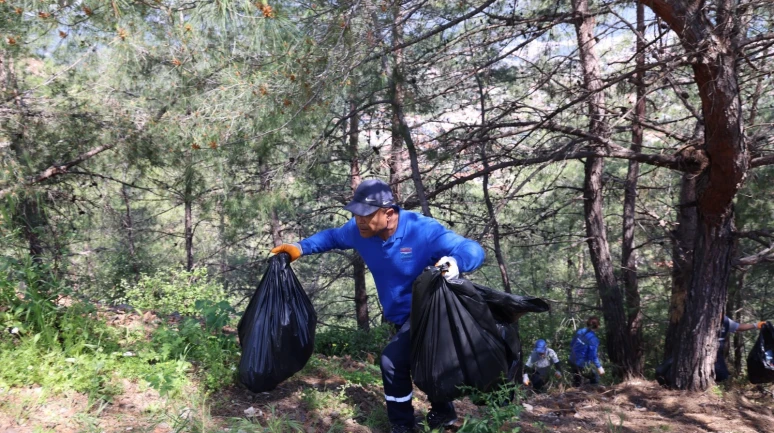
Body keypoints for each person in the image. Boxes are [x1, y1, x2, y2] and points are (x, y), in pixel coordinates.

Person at [270, 179, 485, 433]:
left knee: (392, 361)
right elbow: (331, 237)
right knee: (422, 362)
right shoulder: (361, 231)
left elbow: (472, 249)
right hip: (398, 315)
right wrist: (298, 248)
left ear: (389, 213)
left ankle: (402, 425)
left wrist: (456, 261)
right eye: (355, 214)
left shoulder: (422, 230)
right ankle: (443, 412)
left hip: (428, 313)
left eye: (365, 214)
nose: (358, 220)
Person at [715, 316, 766, 382]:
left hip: (718, 352)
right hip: (707, 354)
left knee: (722, 375)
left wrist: (756, 325)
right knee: (722, 375)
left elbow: (738, 327)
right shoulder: (700, 316)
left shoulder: (725, 320)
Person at [569, 316, 604, 387]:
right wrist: (599, 367)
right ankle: (593, 395)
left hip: (572, 360)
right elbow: (593, 356)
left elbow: (572, 344)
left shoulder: (580, 331)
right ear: (597, 326)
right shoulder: (593, 339)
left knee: (577, 382)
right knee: (595, 377)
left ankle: (575, 393)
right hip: (581, 364)